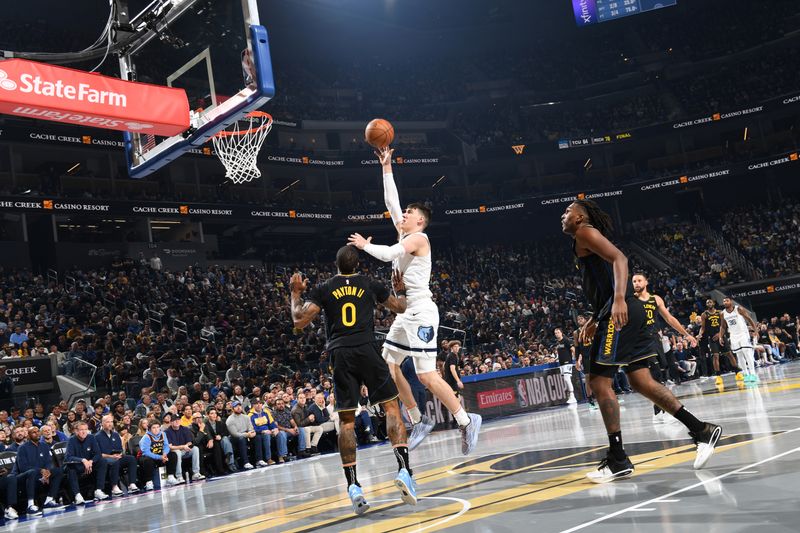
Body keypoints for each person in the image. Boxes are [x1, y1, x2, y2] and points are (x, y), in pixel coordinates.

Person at [561, 199, 721, 483]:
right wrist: (595, 318)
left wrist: (620, 299)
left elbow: (620, 259)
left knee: (599, 382)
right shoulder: (582, 238)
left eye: (567, 211)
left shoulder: (585, 231)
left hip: (621, 313)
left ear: (580, 216)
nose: (563, 216)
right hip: (619, 312)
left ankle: (618, 459)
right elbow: (605, 287)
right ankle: (702, 430)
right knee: (640, 381)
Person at [347, 146, 481, 455]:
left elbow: (390, 254)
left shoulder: (419, 240)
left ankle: (465, 419)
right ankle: (419, 419)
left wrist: (366, 245)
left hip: (421, 312)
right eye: (404, 214)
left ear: (420, 222)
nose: (403, 215)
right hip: (405, 313)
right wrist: (386, 166)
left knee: (426, 375)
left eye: (409, 214)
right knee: (389, 365)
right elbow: (390, 202)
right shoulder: (405, 234)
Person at [290, 245, 419, 515]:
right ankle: (404, 471)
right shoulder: (369, 283)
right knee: (391, 408)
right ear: (357, 264)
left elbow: (299, 320)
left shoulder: (325, 288)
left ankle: (353, 486)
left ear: (337, 266)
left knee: (346, 420)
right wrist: (401, 289)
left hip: (340, 353)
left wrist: (295, 292)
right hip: (367, 348)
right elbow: (401, 307)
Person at [631, 273, 699, 422]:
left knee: (659, 374)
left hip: (655, 339)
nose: (636, 283)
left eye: (639, 280)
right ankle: (660, 410)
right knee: (654, 375)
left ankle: (659, 409)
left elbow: (669, 319)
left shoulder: (656, 299)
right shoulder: (630, 300)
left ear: (646, 282)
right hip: (639, 341)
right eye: (634, 281)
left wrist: (687, 334)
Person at [15, 426, 63, 513]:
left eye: (38, 431)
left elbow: (48, 462)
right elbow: (23, 467)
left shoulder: (44, 445)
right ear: (28, 436)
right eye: (34, 432)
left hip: (43, 474)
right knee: (32, 472)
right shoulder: (22, 448)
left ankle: (49, 500)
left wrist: (47, 471)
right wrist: (41, 470)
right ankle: (30, 505)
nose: (37, 433)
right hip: (28, 476)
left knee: (58, 471)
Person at [95, 414, 139, 495]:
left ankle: (131, 484)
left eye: (111, 422)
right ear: (102, 423)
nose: (110, 424)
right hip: (105, 459)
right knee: (115, 462)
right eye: (107, 422)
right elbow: (99, 454)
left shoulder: (115, 435)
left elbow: (120, 449)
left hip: (117, 457)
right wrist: (112, 456)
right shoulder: (97, 436)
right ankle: (114, 487)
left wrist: (120, 455)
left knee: (131, 459)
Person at [65, 421, 107, 503]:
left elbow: (98, 453)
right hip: (78, 466)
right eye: (81, 430)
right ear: (76, 431)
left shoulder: (91, 437)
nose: (84, 432)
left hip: (90, 465)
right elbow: (68, 457)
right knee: (70, 467)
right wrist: (83, 460)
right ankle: (77, 495)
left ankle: (98, 490)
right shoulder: (71, 440)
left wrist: (91, 461)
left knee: (102, 461)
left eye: (86, 429)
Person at [700, 299, 739, 385]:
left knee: (729, 354)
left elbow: (724, 325)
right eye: (707, 302)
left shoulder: (720, 312)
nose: (709, 303)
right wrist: (699, 335)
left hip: (721, 336)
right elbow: (703, 327)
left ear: (713, 303)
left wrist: (719, 334)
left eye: (710, 302)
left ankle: (737, 372)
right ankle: (718, 377)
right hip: (712, 338)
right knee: (715, 356)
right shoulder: (704, 314)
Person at [720, 297, 759, 383]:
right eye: (724, 301)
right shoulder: (722, 313)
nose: (725, 302)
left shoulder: (739, 309)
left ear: (731, 302)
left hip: (743, 333)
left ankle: (752, 374)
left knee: (747, 353)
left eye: (727, 301)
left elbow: (749, 319)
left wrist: (755, 330)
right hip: (733, 335)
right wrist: (720, 336)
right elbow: (723, 326)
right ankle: (746, 374)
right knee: (739, 355)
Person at [164, 413, 205, 483]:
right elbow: (170, 447)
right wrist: (183, 446)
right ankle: (179, 476)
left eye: (178, 420)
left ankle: (196, 473)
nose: (177, 422)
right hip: (174, 453)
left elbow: (189, 443)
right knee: (177, 452)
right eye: (175, 420)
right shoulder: (167, 432)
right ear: (171, 422)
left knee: (195, 449)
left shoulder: (185, 429)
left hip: (185, 450)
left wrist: (186, 446)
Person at [138, 420, 177, 491]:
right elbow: (146, 452)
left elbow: (166, 446)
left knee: (172, 455)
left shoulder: (163, 434)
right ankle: (149, 482)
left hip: (160, 455)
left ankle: (170, 476)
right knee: (147, 460)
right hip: (147, 457)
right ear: (149, 429)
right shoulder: (146, 437)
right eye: (154, 428)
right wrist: (160, 457)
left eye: (158, 427)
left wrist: (164, 454)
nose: (156, 429)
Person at [553, 328, 577, 404]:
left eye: (558, 332)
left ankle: (573, 396)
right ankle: (571, 396)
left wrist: (576, 359)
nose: (557, 334)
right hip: (561, 363)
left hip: (568, 362)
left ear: (561, 332)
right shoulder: (557, 343)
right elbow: (560, 353)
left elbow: (573, 349)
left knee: (567, 379)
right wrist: (555, 359)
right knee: (566, 380)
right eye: (555, 333)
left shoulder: (567, 340)